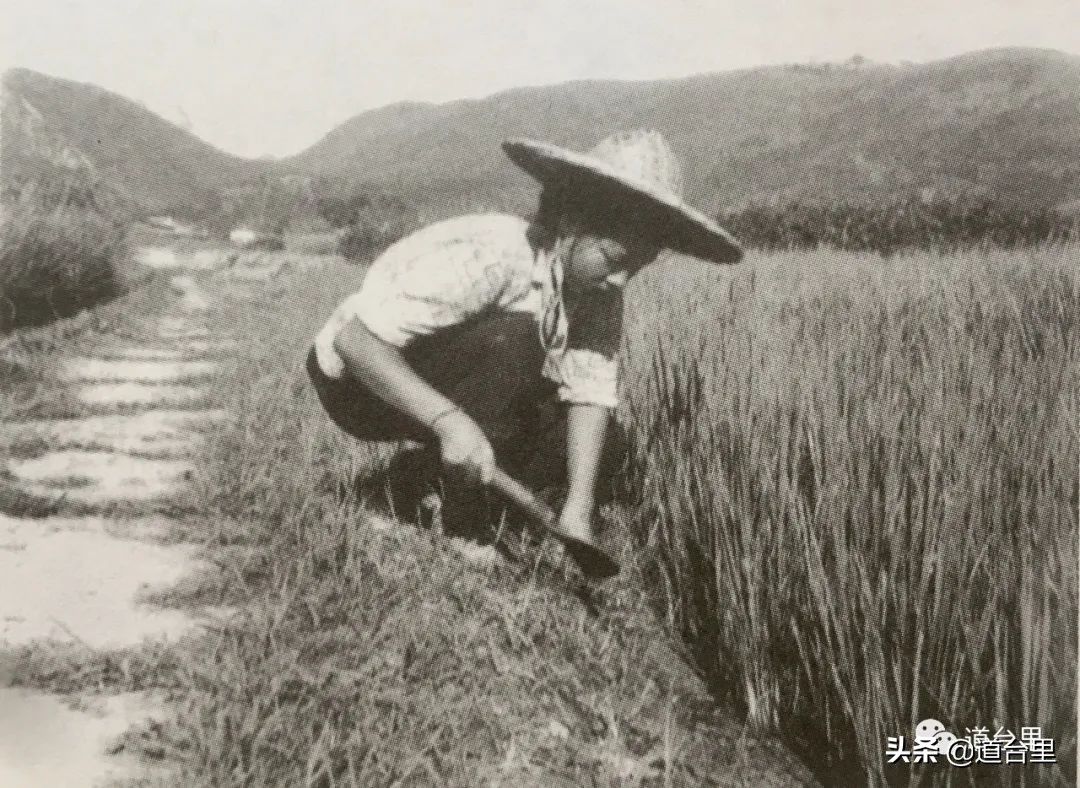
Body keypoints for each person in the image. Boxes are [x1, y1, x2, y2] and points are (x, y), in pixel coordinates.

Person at [306, 129, 743, 579]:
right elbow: (355, 344)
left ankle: (419, 474)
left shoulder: (599, 290)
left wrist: (579, 509)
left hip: (444, 381)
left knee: (608, 445)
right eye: (614, 259)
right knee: (517, 344)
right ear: (571, 225)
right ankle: (464, 523)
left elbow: (589, 394)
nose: (620, 281)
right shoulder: (493, 256)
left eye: (636, 268)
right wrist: (450, 422)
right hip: (359, 386)